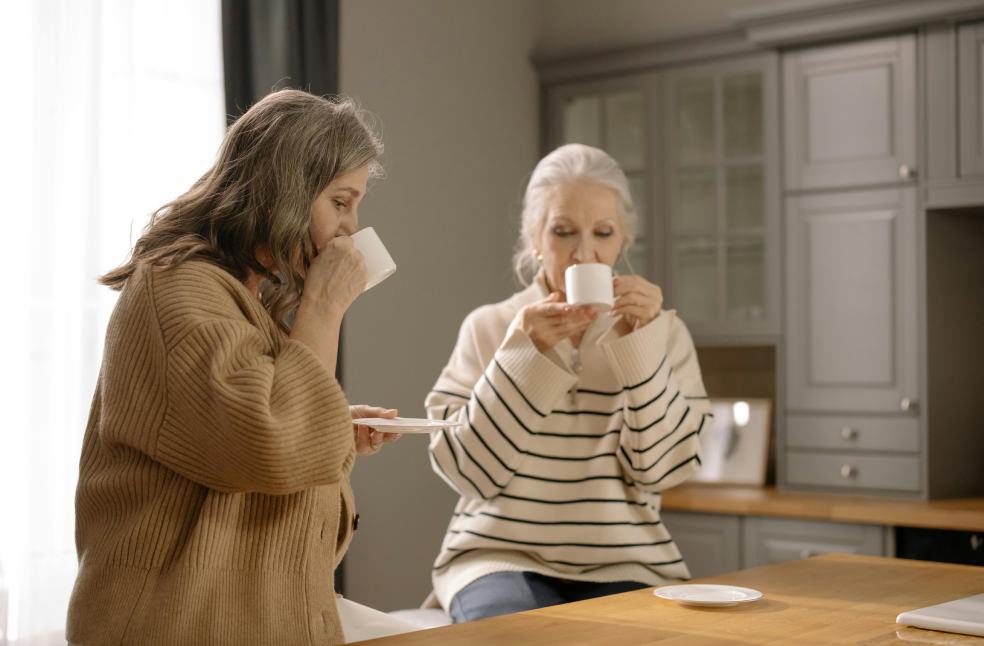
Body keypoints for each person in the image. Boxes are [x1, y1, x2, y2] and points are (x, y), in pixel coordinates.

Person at [66, 89, 400, 645]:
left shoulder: (249, 306)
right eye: (340, 202)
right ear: (285, 191)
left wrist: (329, 428)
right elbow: (271, 446)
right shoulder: (177, 290)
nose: (350, 228)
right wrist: (322, 307)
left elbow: (276, 489)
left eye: (357, 206)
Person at [425, 143, 712, 622]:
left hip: (628, 559)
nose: (584, 253)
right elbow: (468, 471)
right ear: (534, 236)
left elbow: (662, 472)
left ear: (624, 241)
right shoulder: (489, 327)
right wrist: (525, 355)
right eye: (562, 232)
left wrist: (641, 348)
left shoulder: (663, 332)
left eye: (603, 233)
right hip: (497, 557)